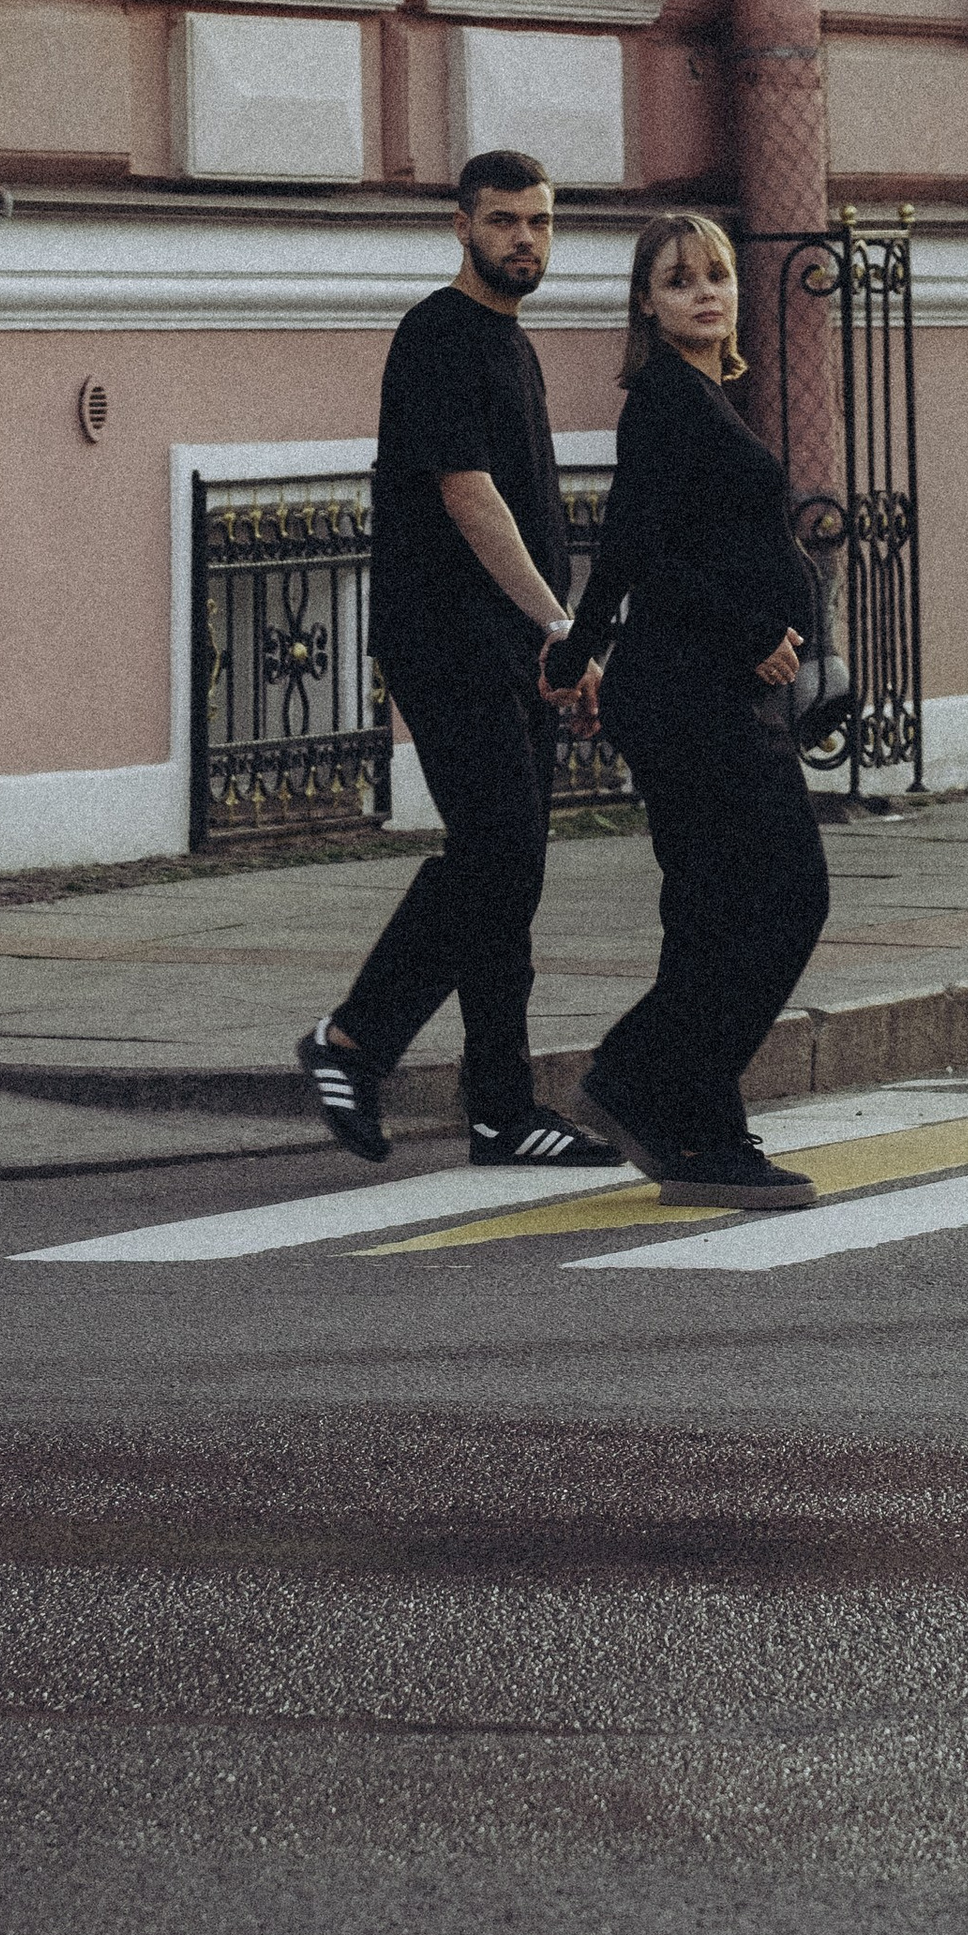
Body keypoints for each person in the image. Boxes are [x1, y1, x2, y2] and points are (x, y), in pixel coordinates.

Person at [297, 149, 618, 1172]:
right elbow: (467, 494)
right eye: (503, 221)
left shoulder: (512, 345)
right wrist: (558, 623)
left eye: (539, 222)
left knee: (506, 871)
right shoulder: (438, 333)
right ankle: (352, 1041)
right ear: (460, 226)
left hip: (511, 648)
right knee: (500, 856)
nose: (524, 239)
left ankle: (500, 1110)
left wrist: (555, 645)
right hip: (446, 639)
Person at [542, 213, 832, 1212]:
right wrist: (747, 630)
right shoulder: (666, 399)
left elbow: (650, 543)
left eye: (715, 275)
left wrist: (578, 652)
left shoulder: (700, 397)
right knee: (784, 897)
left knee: (713, 916)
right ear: (645, 304)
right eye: (678, 281)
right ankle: (644, 1081)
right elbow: (638, 549)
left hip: (708, 695)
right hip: (691, 697)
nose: (706, 292)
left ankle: (696, 1119)